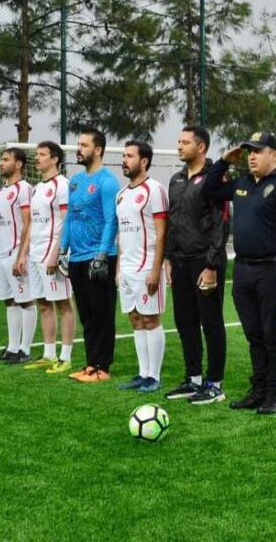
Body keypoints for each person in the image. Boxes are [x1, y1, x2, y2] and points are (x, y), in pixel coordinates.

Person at [202, 132, 276, 416]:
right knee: (254, 334)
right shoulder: (242, 184)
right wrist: (223, 161)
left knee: (273, 334)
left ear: (274, 155)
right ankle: (258, 390)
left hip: (272, 270)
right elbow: (209, 190)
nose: (252, 157)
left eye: (258, 151)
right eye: (249, 152)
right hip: (243, 270)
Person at [165, 125, 229, 404]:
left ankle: (214, 384)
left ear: (201, 147)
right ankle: (193, 379)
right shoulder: (176, 179)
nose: (179, 146)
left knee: (210, 322)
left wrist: (211, 265)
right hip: (180, 261)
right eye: (179, 142)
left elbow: (221, 222)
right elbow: (173, 221)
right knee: (185, 322)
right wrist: (169, 258)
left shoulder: (215, 178)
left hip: (205, 261)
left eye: (185, 142)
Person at [61, 128, 120, 383]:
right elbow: (69, 217)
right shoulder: (75, 181)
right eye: (78, 144)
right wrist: (62, 249)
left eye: (84, 145)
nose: (78, 149)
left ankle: (102, 367)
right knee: (86, 315)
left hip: (98, 257)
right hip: (76, 258)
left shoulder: (108, 181)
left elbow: (111, 220)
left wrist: (102, 254)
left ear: (98, 150)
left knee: (101, 313)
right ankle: (90, 363)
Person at [115, 141, 170, 393]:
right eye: (123, 156)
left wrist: (156, 269)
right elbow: (122, 235)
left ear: (144, 161)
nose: (124, 160)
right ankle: (142, 373)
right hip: (126, 268)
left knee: (150, 319)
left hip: (147, 266)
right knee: (135, 319)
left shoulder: (155, 190)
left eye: (129, 156)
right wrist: (118, 268)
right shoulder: (121, 194)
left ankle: (154, 377)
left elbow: (162, 233)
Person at [19, 141, 75, 374]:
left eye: (42, 154)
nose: (37, 158)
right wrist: (23, 253)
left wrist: (56, 254)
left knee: (63, 303)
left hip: (52, 254)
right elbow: (32, 223)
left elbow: (67, 221)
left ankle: (65, 357)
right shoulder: (36, 189)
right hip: (35, 254)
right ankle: (48, 354)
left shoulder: (63, 185)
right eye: (37, 154)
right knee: (42, 303)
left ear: (55, 159)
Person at [0, 147, 37, 364]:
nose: (1, 163)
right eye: (1, 159)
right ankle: (12, 347)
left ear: (18, 164)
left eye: (6, 159)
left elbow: (28, 222)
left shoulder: (24, 189)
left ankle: (25, 350)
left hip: (16, 253)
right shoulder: (1, 192)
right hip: (1, 255)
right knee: (9, 301)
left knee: (25, 301)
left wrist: (22, 255)